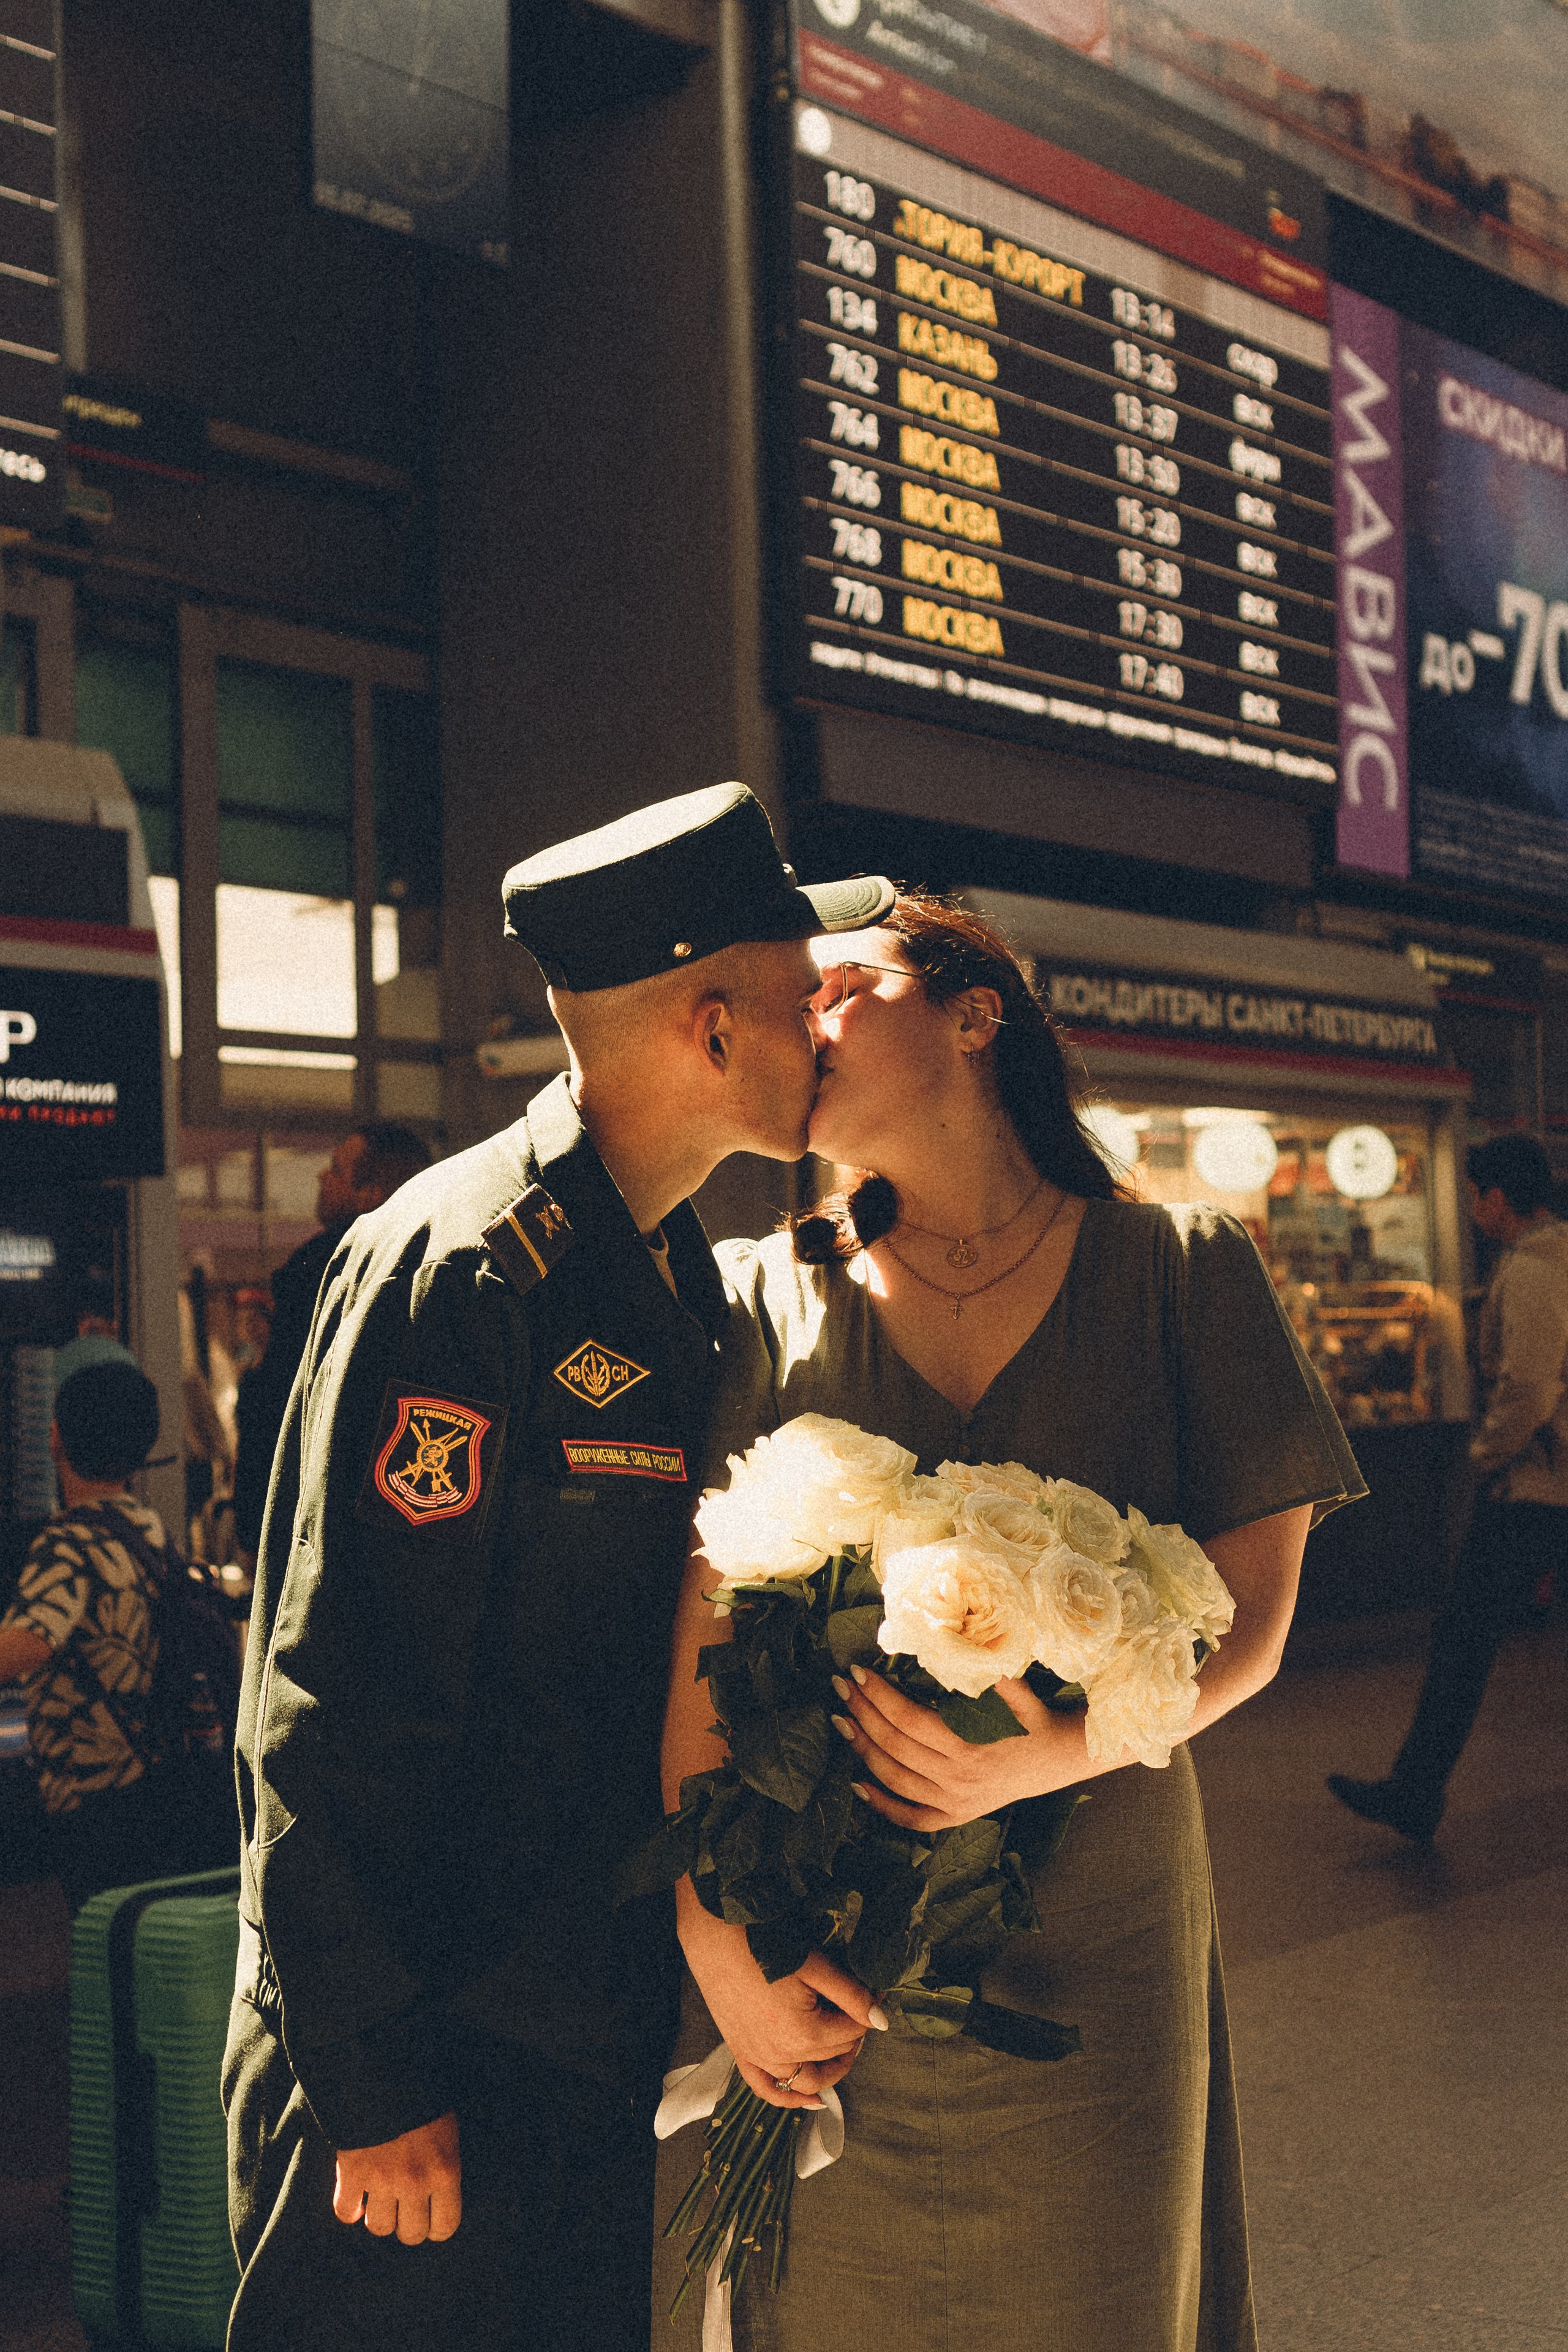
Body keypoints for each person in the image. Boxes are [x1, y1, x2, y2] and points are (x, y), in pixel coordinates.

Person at [222, 783, 894, 2352]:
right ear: (713, 1027)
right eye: (804, 1001)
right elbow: (339, 1690)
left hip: (570, 2031)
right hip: (427, 2055)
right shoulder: (469, 1268)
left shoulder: (660, 1270)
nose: (829, 1033)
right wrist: (375, 2082)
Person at [657, 897, 1365, 2352]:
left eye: (843, 986)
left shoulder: (1180, 1264)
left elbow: (1256, 1614)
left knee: (1096, 2293)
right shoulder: (765, 1288)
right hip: (819, 1924)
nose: (807, 1025)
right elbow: (700, 1636)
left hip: (1095, 1917)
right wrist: (716, 1939)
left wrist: (1039, 1756)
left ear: (975, 1013)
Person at [1329, 1133, 1568, 1841]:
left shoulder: (1530, 1269)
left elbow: (1527, 1384)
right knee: (1466, 1636)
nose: (1468, 1207)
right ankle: (1413, 1789)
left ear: (1497, 1198)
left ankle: (1414, 1791)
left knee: (1463, 1637)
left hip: (1534, 1486)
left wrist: (1486, 1454)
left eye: (1471, 1194)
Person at [0, 1361, 179, 1911]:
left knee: (98, 1947)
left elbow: (32, 1641)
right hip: (147, 1776)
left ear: (54, 1436)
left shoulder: (68, 1544)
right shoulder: (147, 1527)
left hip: (90, 1793)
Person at [230, 1123, 434, 1562]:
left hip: (311, 1524)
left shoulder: (318, 1272)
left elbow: (281, 1406)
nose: (321, 1177)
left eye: (337, 1171)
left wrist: (254, 1526)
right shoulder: (438, 1270)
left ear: (370, 1194)